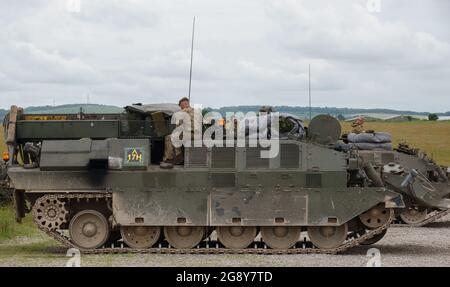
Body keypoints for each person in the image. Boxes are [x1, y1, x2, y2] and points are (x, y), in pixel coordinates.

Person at [160, 97, 200, 168]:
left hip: (188, 134)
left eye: (180, 106)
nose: (180, 107)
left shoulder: (183, 112)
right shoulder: (197, 111)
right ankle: (179, 155)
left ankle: (170, 159)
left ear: (183, 104)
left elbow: (178, 127)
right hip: (197, 135)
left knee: (169, 137)